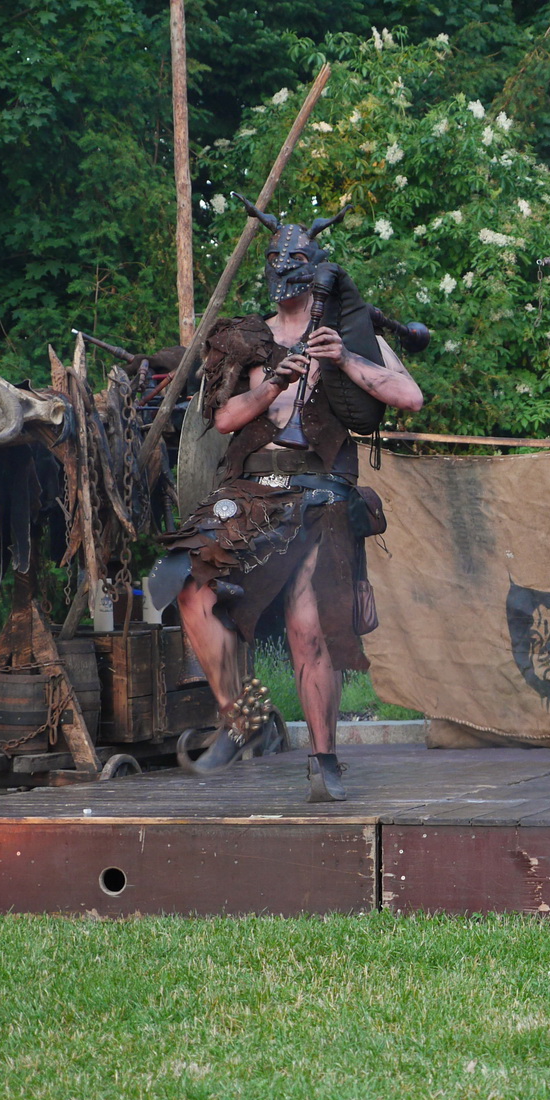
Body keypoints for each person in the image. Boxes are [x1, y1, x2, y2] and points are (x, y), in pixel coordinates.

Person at [155, 196, 424, 802]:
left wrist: (345, 359)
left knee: (308, 628)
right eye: (275, 260)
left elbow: (409, 398)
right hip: (251, 492)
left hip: (318, 492)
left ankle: (323, 761)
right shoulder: (246, 340)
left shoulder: (347, 333)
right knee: (185, 585)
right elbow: (224, 419)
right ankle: (243, 716)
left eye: (293, 261)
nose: (282, 271)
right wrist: (275, 381)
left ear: (313, 267)